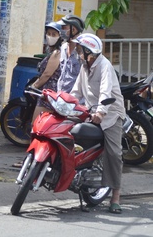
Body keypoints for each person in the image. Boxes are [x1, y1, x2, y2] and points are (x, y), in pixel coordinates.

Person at [70, 33, 126, 214]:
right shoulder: (85, 67)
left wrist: (101, 112)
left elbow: (105, 92)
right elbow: (76, 91)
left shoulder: (105, 66)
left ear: (89, 53)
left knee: (114, 153)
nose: (78, 53)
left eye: (80, 50)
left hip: (110, 115)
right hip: (91, 111)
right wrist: (63, 104)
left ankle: (115, 196)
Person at [57, 14, 85, 92]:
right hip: (61, 96)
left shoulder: (83, 50)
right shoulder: (63, 47)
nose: (61, 30)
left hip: (77, 99)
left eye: (64, 27)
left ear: (73, 30)